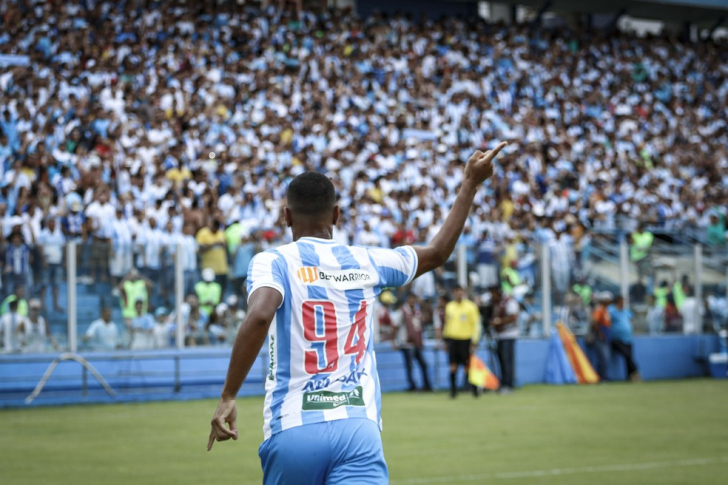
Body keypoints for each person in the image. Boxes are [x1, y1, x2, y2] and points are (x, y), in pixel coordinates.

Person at [206, 144, 507, 485]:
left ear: (286, 216)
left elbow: (260, 315)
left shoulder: (272, 261)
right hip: (358, 430)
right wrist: (470, 183)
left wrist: (229, 395)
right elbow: (437, 253)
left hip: (293, 426)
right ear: (336, 215)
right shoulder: (368, 261)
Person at [442, 286, 481, 398]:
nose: (458, 294)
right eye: (456, 291)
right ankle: (453, 391)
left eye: (460, 292)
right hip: (453, 339)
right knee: (452, 366)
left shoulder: (470, 306)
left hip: (466, 339)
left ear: (463, 293)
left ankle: (474, 390)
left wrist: (475, 341)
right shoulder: (449, 306)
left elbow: (476, 325)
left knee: (467, 366)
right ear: (454, 293)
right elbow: (447, 324)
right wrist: (445, 340)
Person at [391, 293, 433, 392]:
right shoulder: (402, 311)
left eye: (414, 299)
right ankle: (412, 385)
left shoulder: (417, 311)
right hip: (406, 343)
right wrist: (393, 341)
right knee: (409, 365)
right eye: (411, 299)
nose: (413, 301)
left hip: (417, 343)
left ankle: (426, 385)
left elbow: (420, 326)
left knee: (423, 364)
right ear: (407, 300)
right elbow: (395, 327)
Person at [489, 286, 520, 394]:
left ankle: (508, 384)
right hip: (500, 335)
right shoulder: (496, 303)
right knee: (501, 360)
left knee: (507, 360)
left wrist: (499, 322)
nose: (492, 296)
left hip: (509, 334)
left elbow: (513, 317)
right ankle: (502, 383)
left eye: (493, 293)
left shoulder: (510, 302)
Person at [607, 296, 641, 382]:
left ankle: (629, 377)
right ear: (617, 302)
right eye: (621, 302)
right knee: (627, 355)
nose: (623, 304)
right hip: (616, 339)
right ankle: (636, 372)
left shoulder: (626, 311)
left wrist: (629, 327)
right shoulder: (611, 310)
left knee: (628, 357)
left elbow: (631, 319)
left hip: (628, 339)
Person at [39, 217, 66, 313]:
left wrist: (63, 260)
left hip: (57, 262)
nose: (52, 224)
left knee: (56, 284)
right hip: (47, 262)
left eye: (53, 222)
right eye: (50, 222)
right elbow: (40, 247)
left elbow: (63, 247)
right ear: (47, 223)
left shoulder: (59, 234)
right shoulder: (43, 234)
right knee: (44, 283)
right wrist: (43, 260)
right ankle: (42, 304)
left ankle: (56, 304)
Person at [588, 292, 612, 380]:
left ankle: (604, 376)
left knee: (605, 357)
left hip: (606, 334)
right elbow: (595, 322)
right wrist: (600, 333)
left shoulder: (606, 309)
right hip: (600, 336)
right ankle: (603, 377)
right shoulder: (599, 309)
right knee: (604, 357)